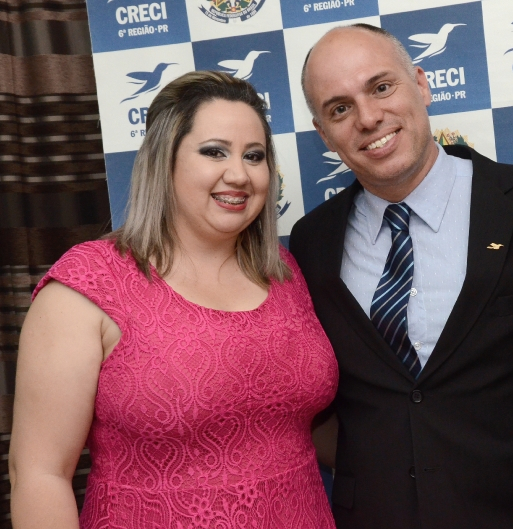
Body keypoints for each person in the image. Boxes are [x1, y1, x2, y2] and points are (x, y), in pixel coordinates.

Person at [9, 71, 338, 529]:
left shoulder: (284, 272)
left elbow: (303, 426)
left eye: (254, 155)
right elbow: (40, 475)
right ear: (165, 161)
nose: (239, 174)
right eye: (214, 151)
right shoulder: (90, 282)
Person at [290, 23, 513, 529]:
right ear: (324, 133)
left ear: (422, 85)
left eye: (382, 87)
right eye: (339, 109)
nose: (368, 118)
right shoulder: (312, 242)